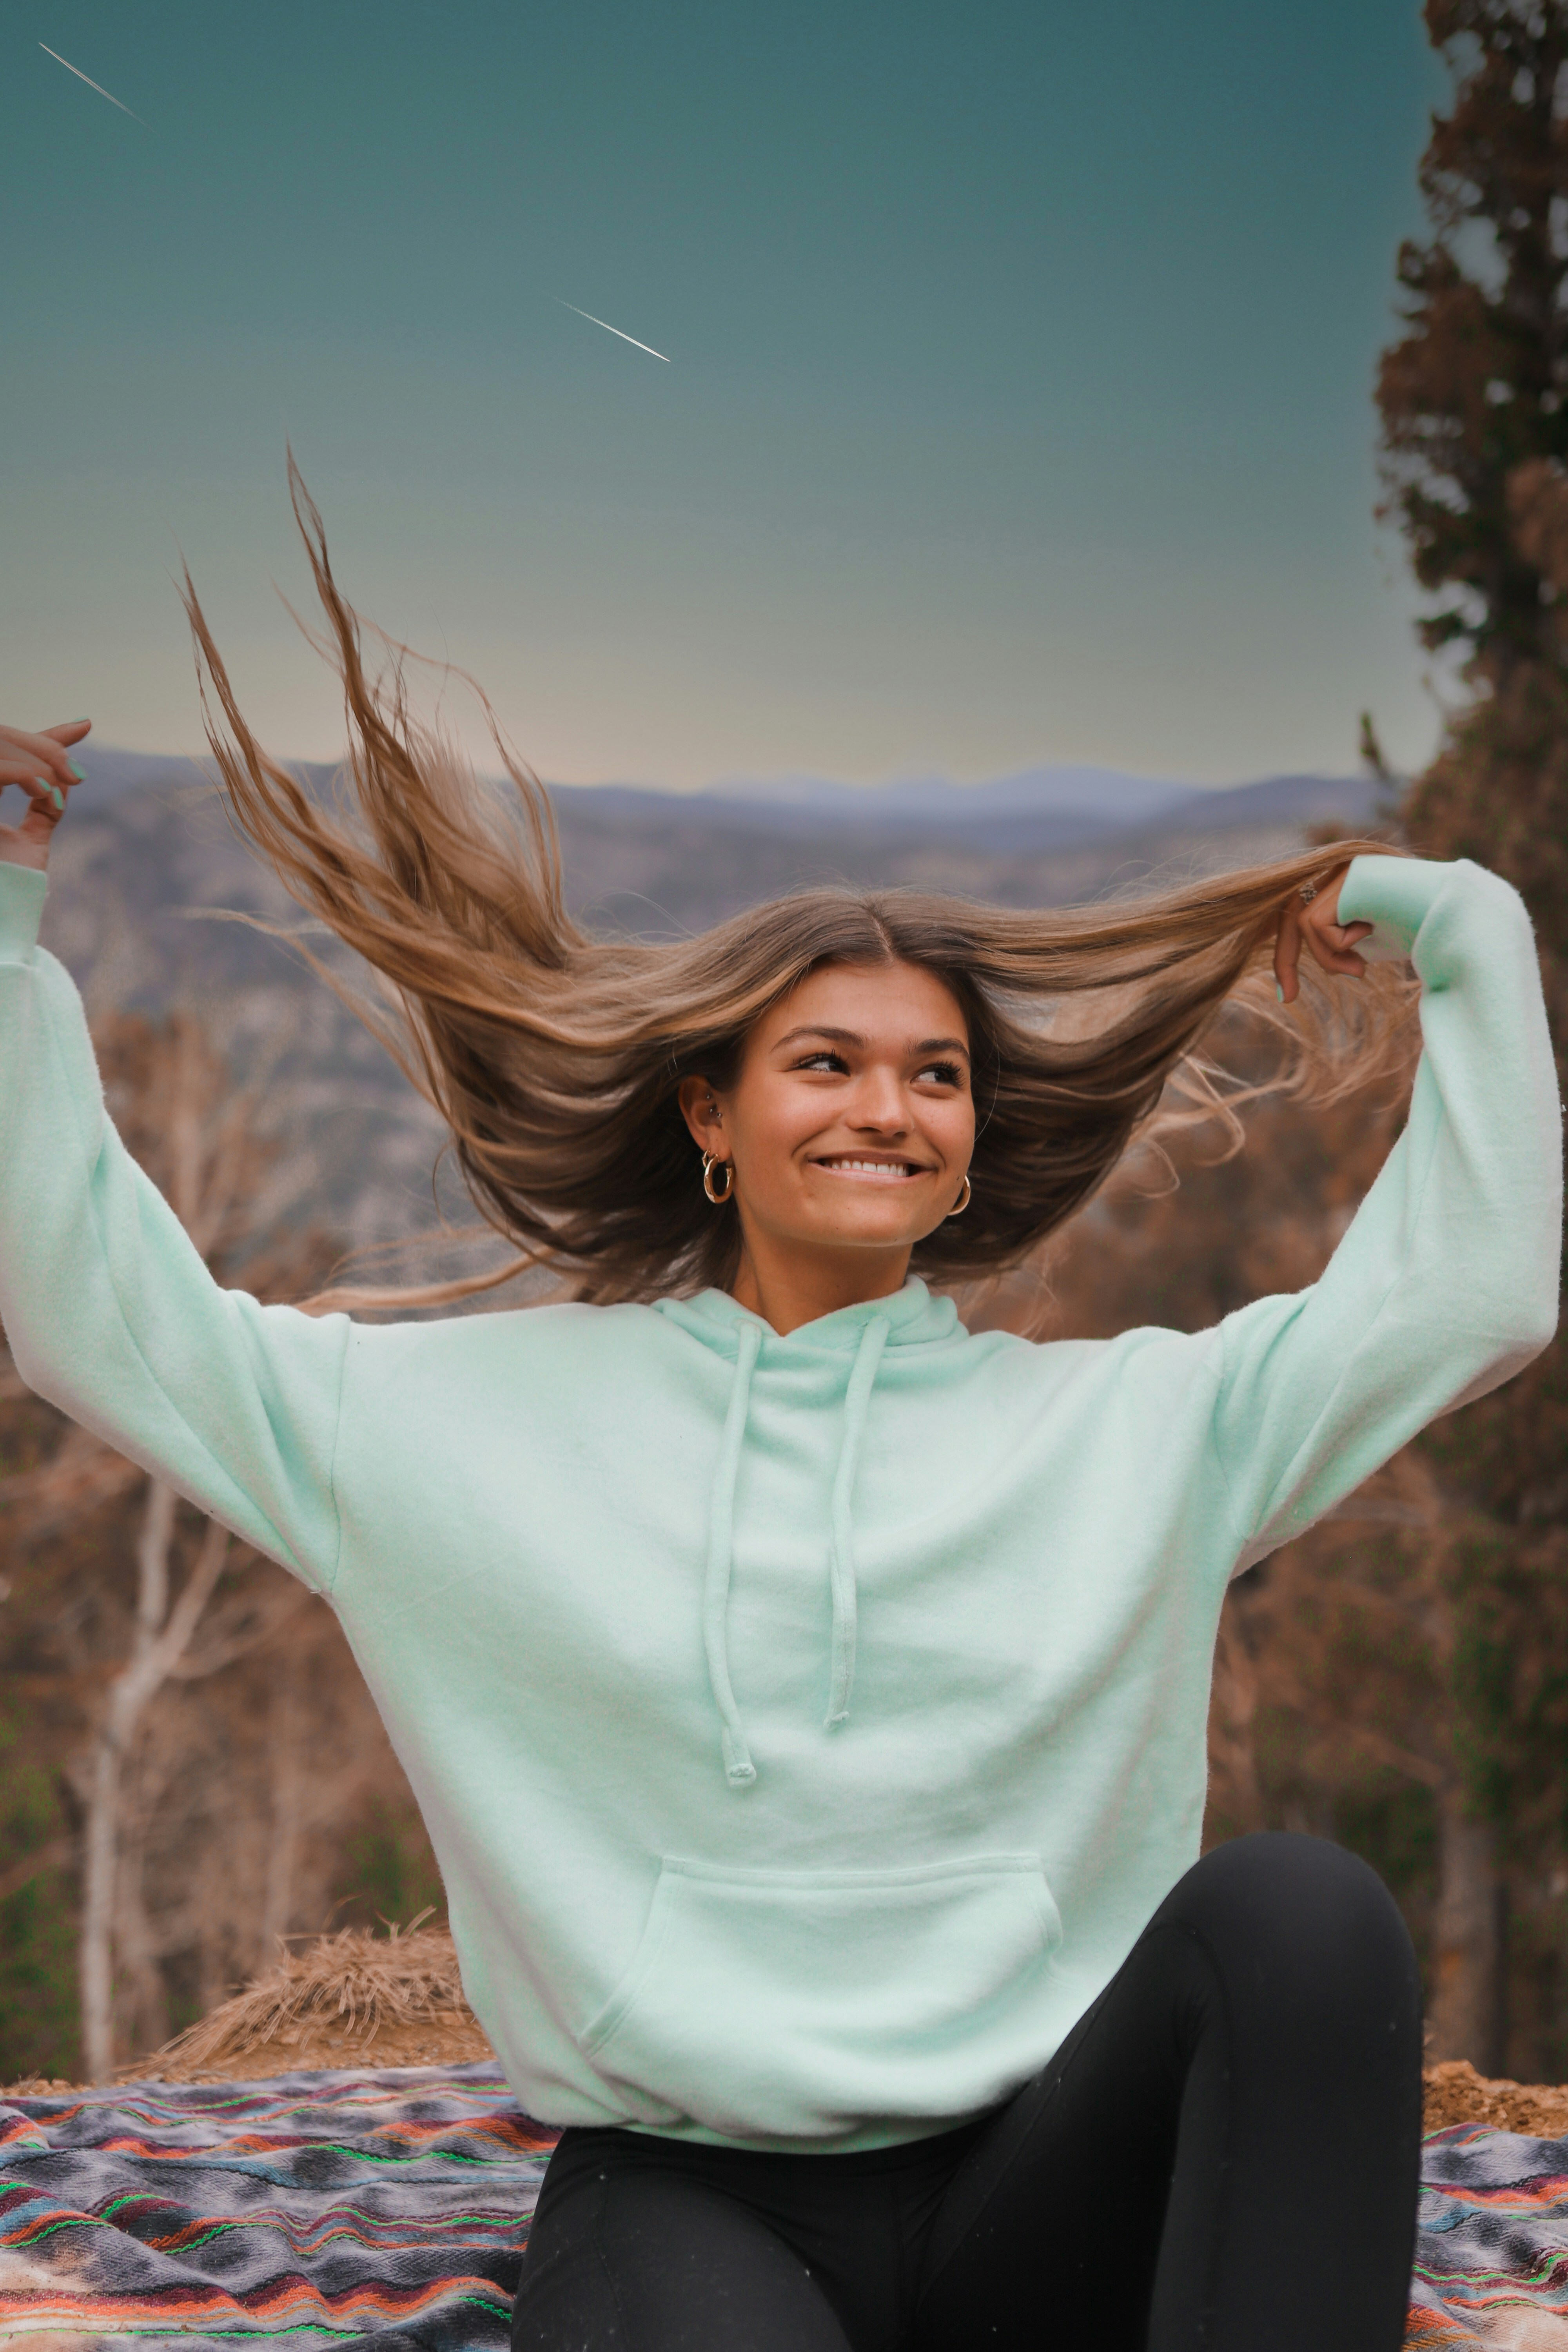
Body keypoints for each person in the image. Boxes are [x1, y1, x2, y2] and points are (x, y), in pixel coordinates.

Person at [0, 503, 1559, 2352]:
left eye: (937, 1073)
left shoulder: (1142, 1428)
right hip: (688, 2194)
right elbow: (100, 1319)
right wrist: (9, 934)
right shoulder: (458, 1424)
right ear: (711, 1117)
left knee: (1306, 1920)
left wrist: (1466, 931)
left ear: (972, 1138)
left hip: (1042, 2180)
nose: (887, 1107)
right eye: (824, 1061)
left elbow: (1472, 1302)